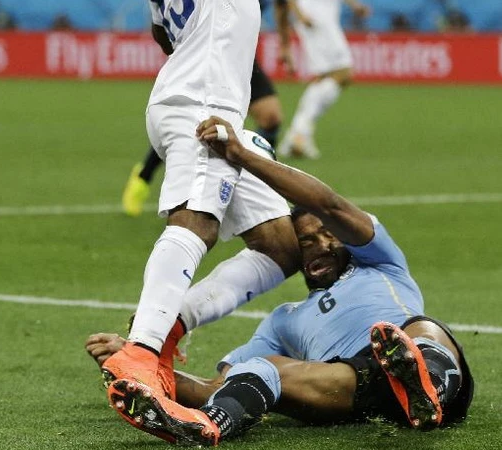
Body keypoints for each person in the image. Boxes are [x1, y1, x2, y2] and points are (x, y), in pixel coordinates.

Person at [89, 117, 474, 445]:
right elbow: (215, 386)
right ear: (294, 254)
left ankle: (426, 385)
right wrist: (138, 361)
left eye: (330, 234)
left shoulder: (382, 263)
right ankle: (206, 426)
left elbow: (329, 204)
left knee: (421, 329)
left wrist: (242, 155)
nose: (322, 244)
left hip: (415, 356)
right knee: (260, 368)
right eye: (306, 241)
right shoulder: (283, 320)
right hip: (350, 385)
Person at [100, 2, 302, 446]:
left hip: (203, 100)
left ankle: (167, 332)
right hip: (202, 103)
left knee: (282, 246)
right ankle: (141, 353)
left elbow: (162, 34)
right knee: (197, 221)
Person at [121, 0, 291, 217]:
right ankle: (144, 176)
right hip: (209, 50)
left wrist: (285, 45)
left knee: (271, 117)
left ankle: (257, 188)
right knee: (196, 126)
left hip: (238, 52)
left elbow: (282, 5)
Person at [277, 0, 370, 159]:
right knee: (342, 73)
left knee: (326, 77)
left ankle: (297, 136)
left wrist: (354, 5)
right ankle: (299, 134)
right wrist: (300, 14)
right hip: (316, 17)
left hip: (324, 16)